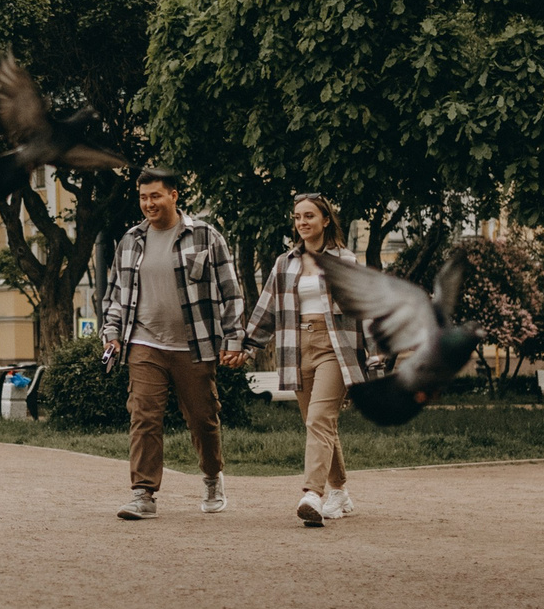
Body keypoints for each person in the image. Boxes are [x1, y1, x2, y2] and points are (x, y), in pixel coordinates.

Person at [100, 165, 246, 519]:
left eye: (155, 196)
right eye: (142, 197)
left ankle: (212, 477)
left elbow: (231, 291)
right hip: (144, 342)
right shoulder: (131, 239)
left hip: (195, 345)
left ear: (174, 195)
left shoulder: (206, 237)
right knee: (144, 415)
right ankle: (143, 493)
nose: (148, 203)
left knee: (202, 418)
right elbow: (117, 294)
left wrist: (235, 338)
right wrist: (112, 334)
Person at [242, 192, 364, 527]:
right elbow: (267, 308)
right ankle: (340, 492)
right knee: (318, 422)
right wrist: (247, 346)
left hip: (334, 346)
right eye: (297, 217)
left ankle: (313, 493)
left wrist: (378, 356)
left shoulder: (345, 261)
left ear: (326, 220)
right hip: (296, 345)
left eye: (309, 216)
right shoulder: (285, 263)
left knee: (319, 420)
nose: (302, 223)